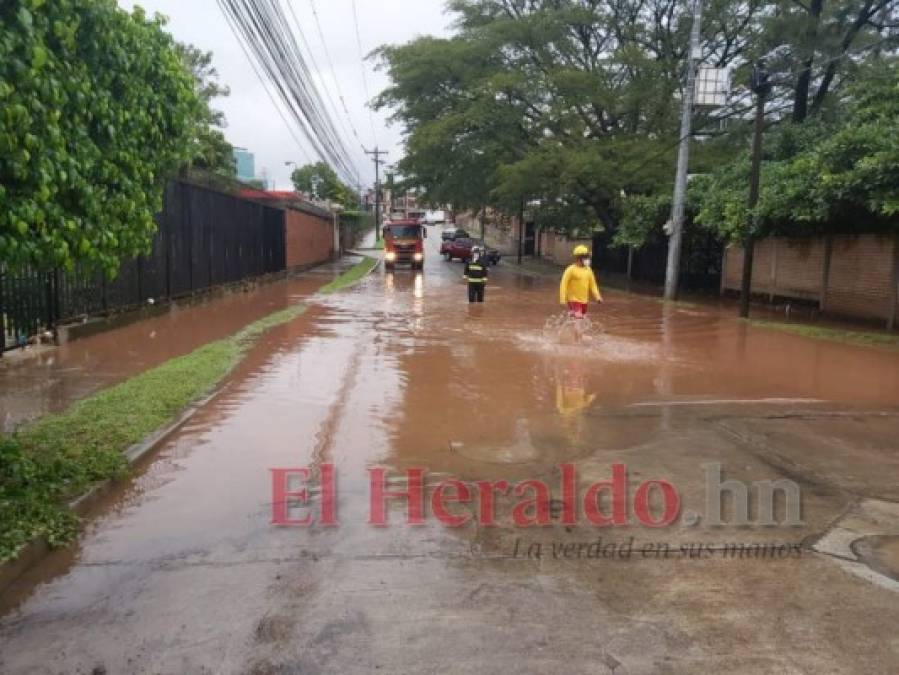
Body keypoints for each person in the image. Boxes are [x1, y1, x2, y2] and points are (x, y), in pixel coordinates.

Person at [559, 245, 602, 318]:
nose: (588, 259)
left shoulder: (588, 270)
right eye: (586, 257)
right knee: (578, 317)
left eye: (588, 257)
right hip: (573, 299)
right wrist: (562, 299)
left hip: (584, 300)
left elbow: (593, 285)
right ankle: (576, 328)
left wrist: (597, 297)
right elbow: (563, 284)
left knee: (582, 317)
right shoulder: (570, 269)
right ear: (578, 258)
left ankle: (570, 327)